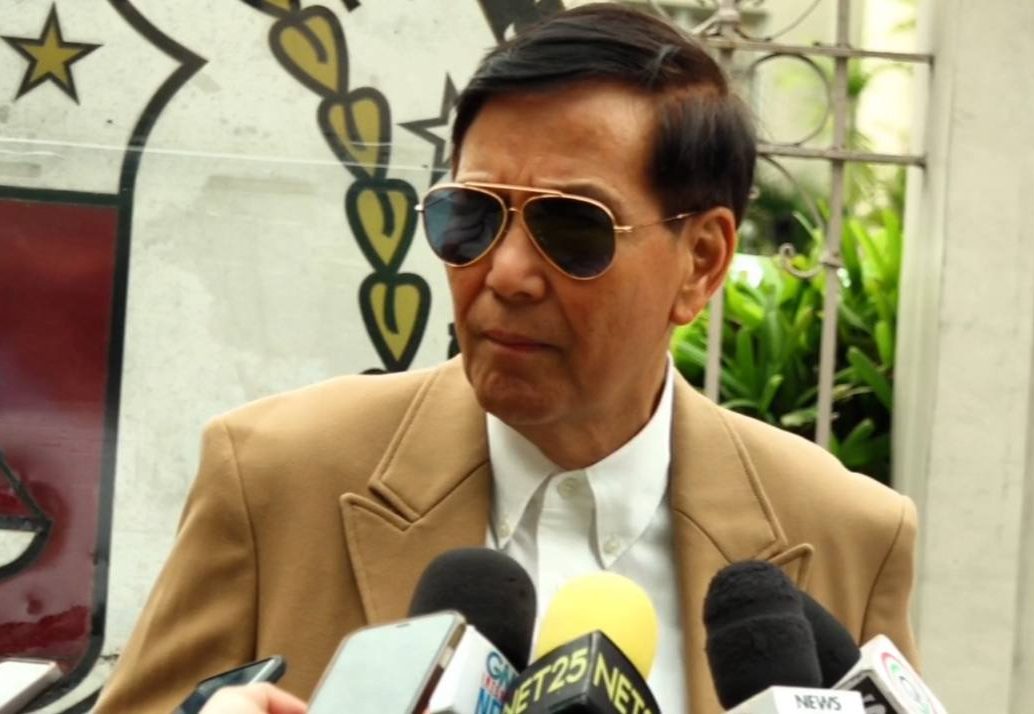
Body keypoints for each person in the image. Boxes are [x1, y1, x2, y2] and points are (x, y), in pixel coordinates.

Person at [96, 4, 919, 713]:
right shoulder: (274, 476)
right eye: (471, 216)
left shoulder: (844, 533)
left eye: (571, 227)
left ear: (700, 262)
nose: (506, 274)